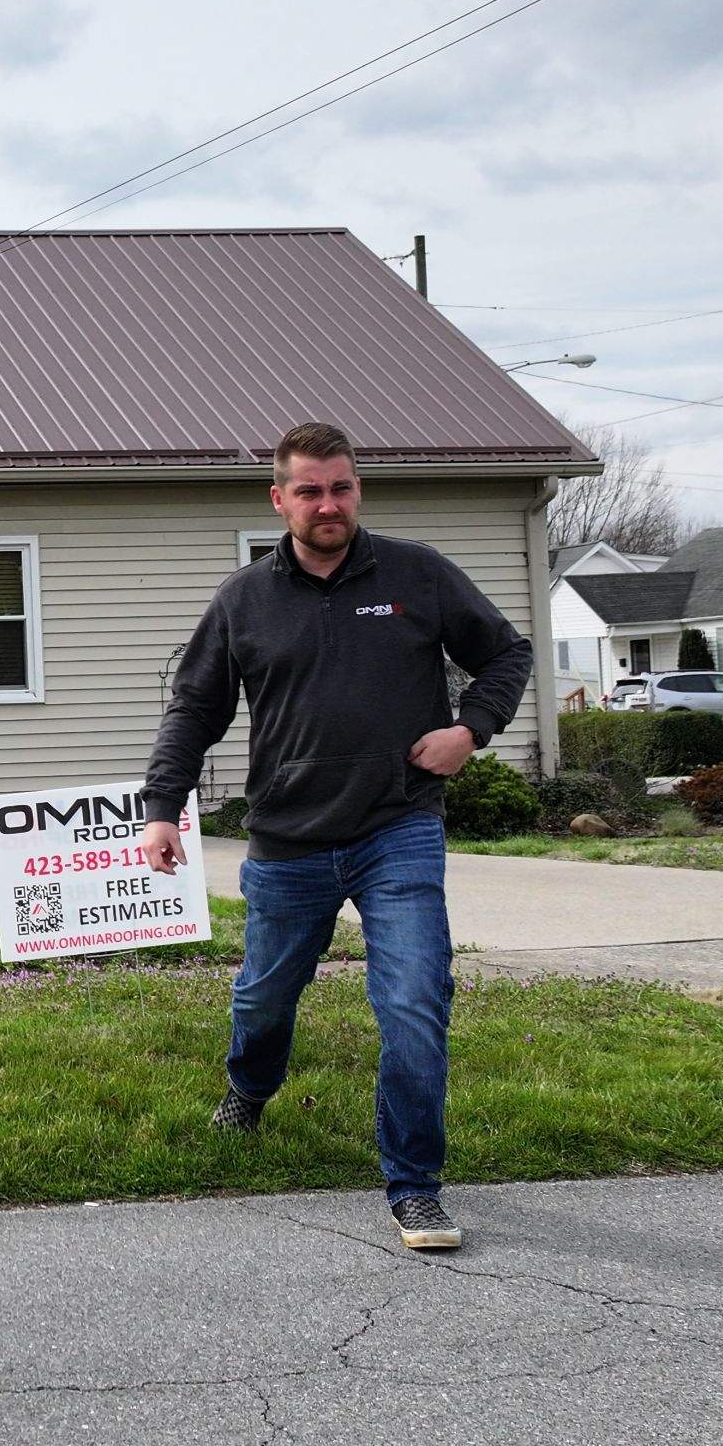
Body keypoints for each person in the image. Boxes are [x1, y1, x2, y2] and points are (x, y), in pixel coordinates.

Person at [135, 421, 532, 1251]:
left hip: (400, 826)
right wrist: (162, 807)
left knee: (416, 1001)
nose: (328, 504)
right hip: (289, 839)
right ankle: (250, 1088)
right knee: (264, 996)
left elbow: (505, 653)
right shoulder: (243, 599)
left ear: (359, 490)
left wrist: (471, 729)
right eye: (310, 490)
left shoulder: (416, 572)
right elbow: (196, 709)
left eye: (341, 487)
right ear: (278, 498)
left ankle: (414, 1187)